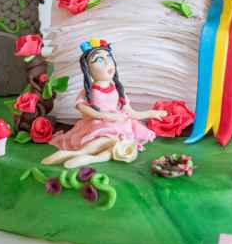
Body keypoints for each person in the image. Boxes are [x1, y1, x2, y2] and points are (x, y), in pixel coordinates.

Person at [43, 39, 166, 167]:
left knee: (116, 145)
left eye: (109, 57)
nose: (108, 63)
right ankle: (78, 153)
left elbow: (130, 113)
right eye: (100, 60)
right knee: (109, 140)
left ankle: (89, 158)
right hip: (98, 125)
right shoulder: (89, 92)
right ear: (88, 69)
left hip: (120, 125)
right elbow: (82, 108)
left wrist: (151, 113)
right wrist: (105, 116)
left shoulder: (118, 90)